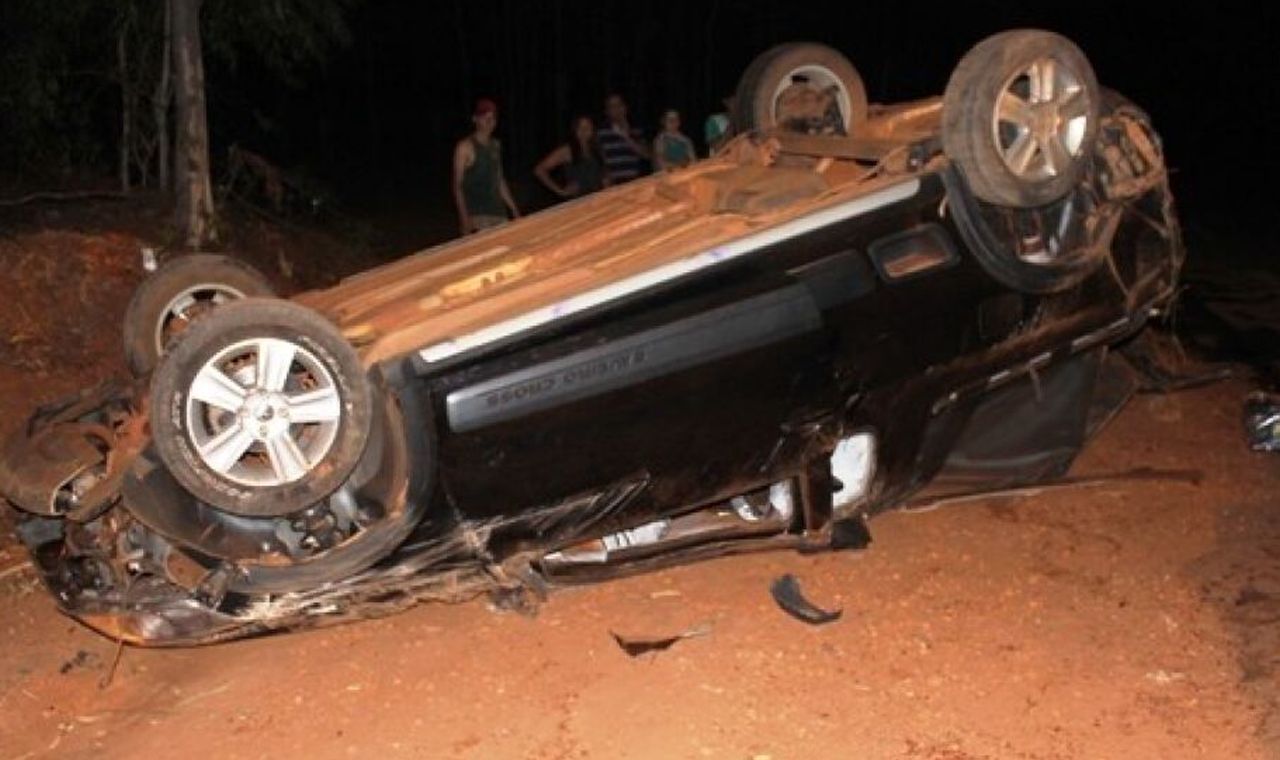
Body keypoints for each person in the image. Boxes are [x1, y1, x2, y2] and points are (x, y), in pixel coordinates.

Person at [452, 98, 520, 235]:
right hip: (477, 215)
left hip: (498, 213)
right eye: (485, 117)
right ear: (475, 119)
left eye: (493, 118)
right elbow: (457, 185)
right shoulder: (465, 147)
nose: (489, 122)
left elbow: (499, 180)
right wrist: (464, 217)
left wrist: (514, 210)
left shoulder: (496, 146)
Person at [534, 115, 609, 199]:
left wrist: (607, 184)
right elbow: (539, 170)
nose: (584, 131)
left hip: (599, 200)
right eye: (580, 127)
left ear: (593, 130)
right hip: (578, 202)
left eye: (588, 127)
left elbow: (605, 174)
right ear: (575, 130)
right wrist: (560, 191)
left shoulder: (597, 149)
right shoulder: (567, 150)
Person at [596, 93, 650, 184]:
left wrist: (626, 137)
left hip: (634, 181)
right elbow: (600, 159)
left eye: (619, 104)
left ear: (625, 107)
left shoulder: (636, 130)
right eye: (612, 106)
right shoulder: (602, 133)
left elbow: (647, 154)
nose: (617, 109)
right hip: (614, 184)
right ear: (607, 111)